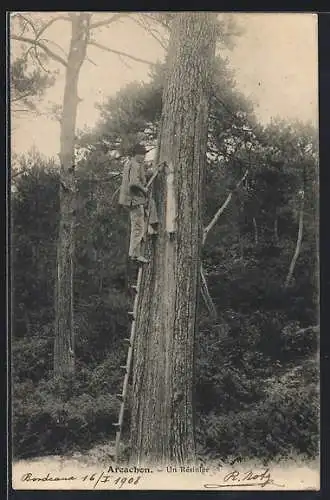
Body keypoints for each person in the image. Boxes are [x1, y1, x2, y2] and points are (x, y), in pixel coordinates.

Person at [119, 144, 158, 264]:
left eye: (144, 154)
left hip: (133, 199)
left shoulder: (130, 164)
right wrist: (143, 189)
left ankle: (152, 226)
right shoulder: (135, 164)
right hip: (133, 200)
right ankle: (135, 254)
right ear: (136, 154)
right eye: (141, 154)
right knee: (138, 227)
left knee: (150, 203)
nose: (143, 157)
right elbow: (133, 183)